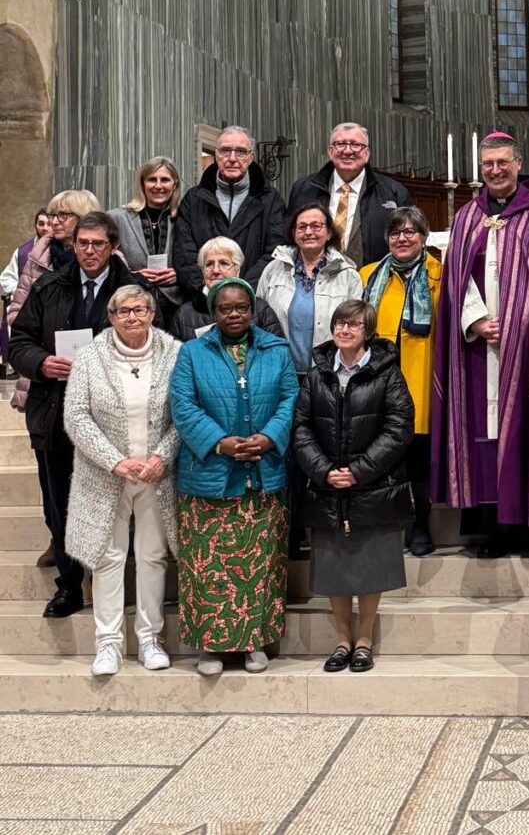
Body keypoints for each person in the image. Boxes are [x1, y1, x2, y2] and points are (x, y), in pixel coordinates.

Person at [430, 132, 529, 558]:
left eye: (502, 163)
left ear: (518, 164)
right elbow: (455, 278)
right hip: (478, 349)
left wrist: (519, 324)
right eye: (488, 164)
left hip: (527, 346)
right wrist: (473, 320)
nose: (495, 170)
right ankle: (496, 530)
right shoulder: (466, 217)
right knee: (482, 433)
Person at [8, 211, 154, 618]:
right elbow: (18, 341)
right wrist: (41, 362)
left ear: (113, 247)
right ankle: (69, 586)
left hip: (116, 418)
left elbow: (156, 344)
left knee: (118, 502)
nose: (89, 251)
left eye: (98, 244)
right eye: (82, 243)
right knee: (61, 503)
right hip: (56, 412)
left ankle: (118, 583)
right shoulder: (49, 286)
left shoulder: (133, 289)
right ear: (72, 245)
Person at [169, 277, 298, 675]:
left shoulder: (276, 350)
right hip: (208, 475)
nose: (234, 314)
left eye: (241, 307)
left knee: (260, 564)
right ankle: (210, 647)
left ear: (252, 309)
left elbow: (290, 398)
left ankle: (255, 642)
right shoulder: (191, 352)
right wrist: (220, 442)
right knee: (206, 567)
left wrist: (268, 437)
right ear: (213, 311)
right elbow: (182, 405)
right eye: (225, 308)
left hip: (263, 474)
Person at [291, 299, 415, 673]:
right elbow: (301, 429)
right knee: (335, 568)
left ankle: (364, 640)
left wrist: (358, 472)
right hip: (327, 486)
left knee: (370, 566)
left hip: (372, 486)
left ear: (368, 332)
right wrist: (324, 470)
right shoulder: (317, 374)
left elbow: (398, 428)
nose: (345, 330)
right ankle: (342, 640)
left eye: (354, 325)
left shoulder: (386, 372)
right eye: (340, 324)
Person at [63, 285, 180, 676]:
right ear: (111, 317)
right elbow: (76, 416)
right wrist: (115, 461)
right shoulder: (91, 357)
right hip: (105, 475)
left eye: (140, 309)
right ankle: (108, 644)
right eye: (123, 311)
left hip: (156, 475)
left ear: (152, 313)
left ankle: (150, 639)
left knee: (151, 556)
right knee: (108, 557)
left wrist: (162, 455)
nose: (132, 316)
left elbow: (184, 412)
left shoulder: (174, 352)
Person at [6, 192, 101, 570]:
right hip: (49, 389)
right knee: (53, 482)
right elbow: (18, 318)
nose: (56, 220)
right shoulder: (37, 260)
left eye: (65, 214)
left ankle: (93, 559)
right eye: (53, 213)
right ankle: (61, 548)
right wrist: (43, 360)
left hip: (96, 393)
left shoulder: (115, 267)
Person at [360, 206, 443, 556]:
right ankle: (385, 524)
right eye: (396, 232)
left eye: (411, 231)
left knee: (419, 456)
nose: (403, 237)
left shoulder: (441, 274)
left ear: (423, 237)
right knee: (381, 454)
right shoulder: (367, 275)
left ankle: (420, 524)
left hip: (421, 374)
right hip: (378, 379)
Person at [172, 125, 286, 297]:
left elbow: (274, 252)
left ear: (251, 157)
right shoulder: (194, 199)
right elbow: (184, 253)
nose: (232, 158)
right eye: (225, 151)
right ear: (216, 155)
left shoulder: (270, 201)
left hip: (251, 300)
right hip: (201, 301)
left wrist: (243, 290)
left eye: (240, 151)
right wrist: (205, 292)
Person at [256, 203, 363, 378]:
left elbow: (356, 329)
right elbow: (258, 318)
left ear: (328, 232)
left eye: (316, 226)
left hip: (330, 374)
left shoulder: (349, 276)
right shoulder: (273, 270)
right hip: (279, 374)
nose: (308, 232)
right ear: (293, 233)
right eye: (302, 227)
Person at [287, 122, 412, 268]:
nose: (347, 151)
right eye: (340, 144)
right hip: (316, 282)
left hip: (374, 283)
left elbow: (407, 241)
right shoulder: (304, 189)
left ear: (366, 153)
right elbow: (289, 239)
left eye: (355, 144)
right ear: (330, 151)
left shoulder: (393, 192)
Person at [107, 157, 184, 319]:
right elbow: (103, 264)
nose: (158, 186)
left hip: (175, 306)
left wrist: (180, 274)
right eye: (151, 180)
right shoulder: (117, 218)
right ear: (143, 184)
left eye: (165, 180)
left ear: (174, 184)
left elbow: (196, 259)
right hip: (131, 307)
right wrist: (133, 275)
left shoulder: (184, 218)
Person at [169, 237, 283, 342]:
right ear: (202, 271)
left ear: (237, 270)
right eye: (209, 264)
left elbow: (278, 353)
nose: (216, 270)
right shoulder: (183, 315)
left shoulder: (260, 309)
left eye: (223, 263)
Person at [1, 209, 50, 374]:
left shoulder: (62, 249)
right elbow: (6, 278)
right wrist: (21, 290)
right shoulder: (23, 251)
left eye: (48, 223)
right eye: (41, 223)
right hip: (26, 304)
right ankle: (18, 367)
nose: (44, 227)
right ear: (35, 225)